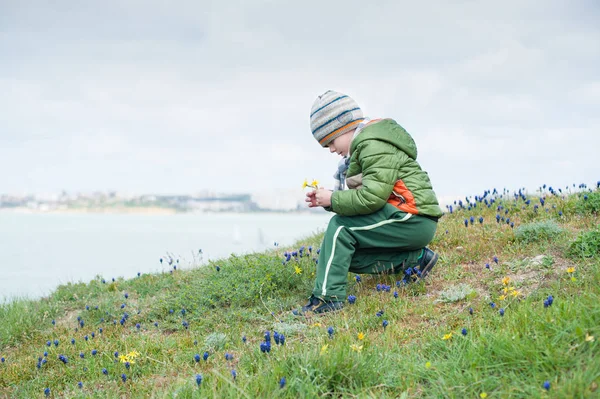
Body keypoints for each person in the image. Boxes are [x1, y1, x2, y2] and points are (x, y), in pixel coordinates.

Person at [299, 90, 443, 314]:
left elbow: (371, 198)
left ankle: (327, 299)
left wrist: (333, 199)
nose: (331, 149)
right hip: (407, 218)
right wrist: (329, 200)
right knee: (344, 255)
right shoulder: (364, 148)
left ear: (344, 127)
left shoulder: (372, 145)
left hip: (412, 216)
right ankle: (416, 260)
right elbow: (371, 197)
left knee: (341, 228)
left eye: (331, 141)